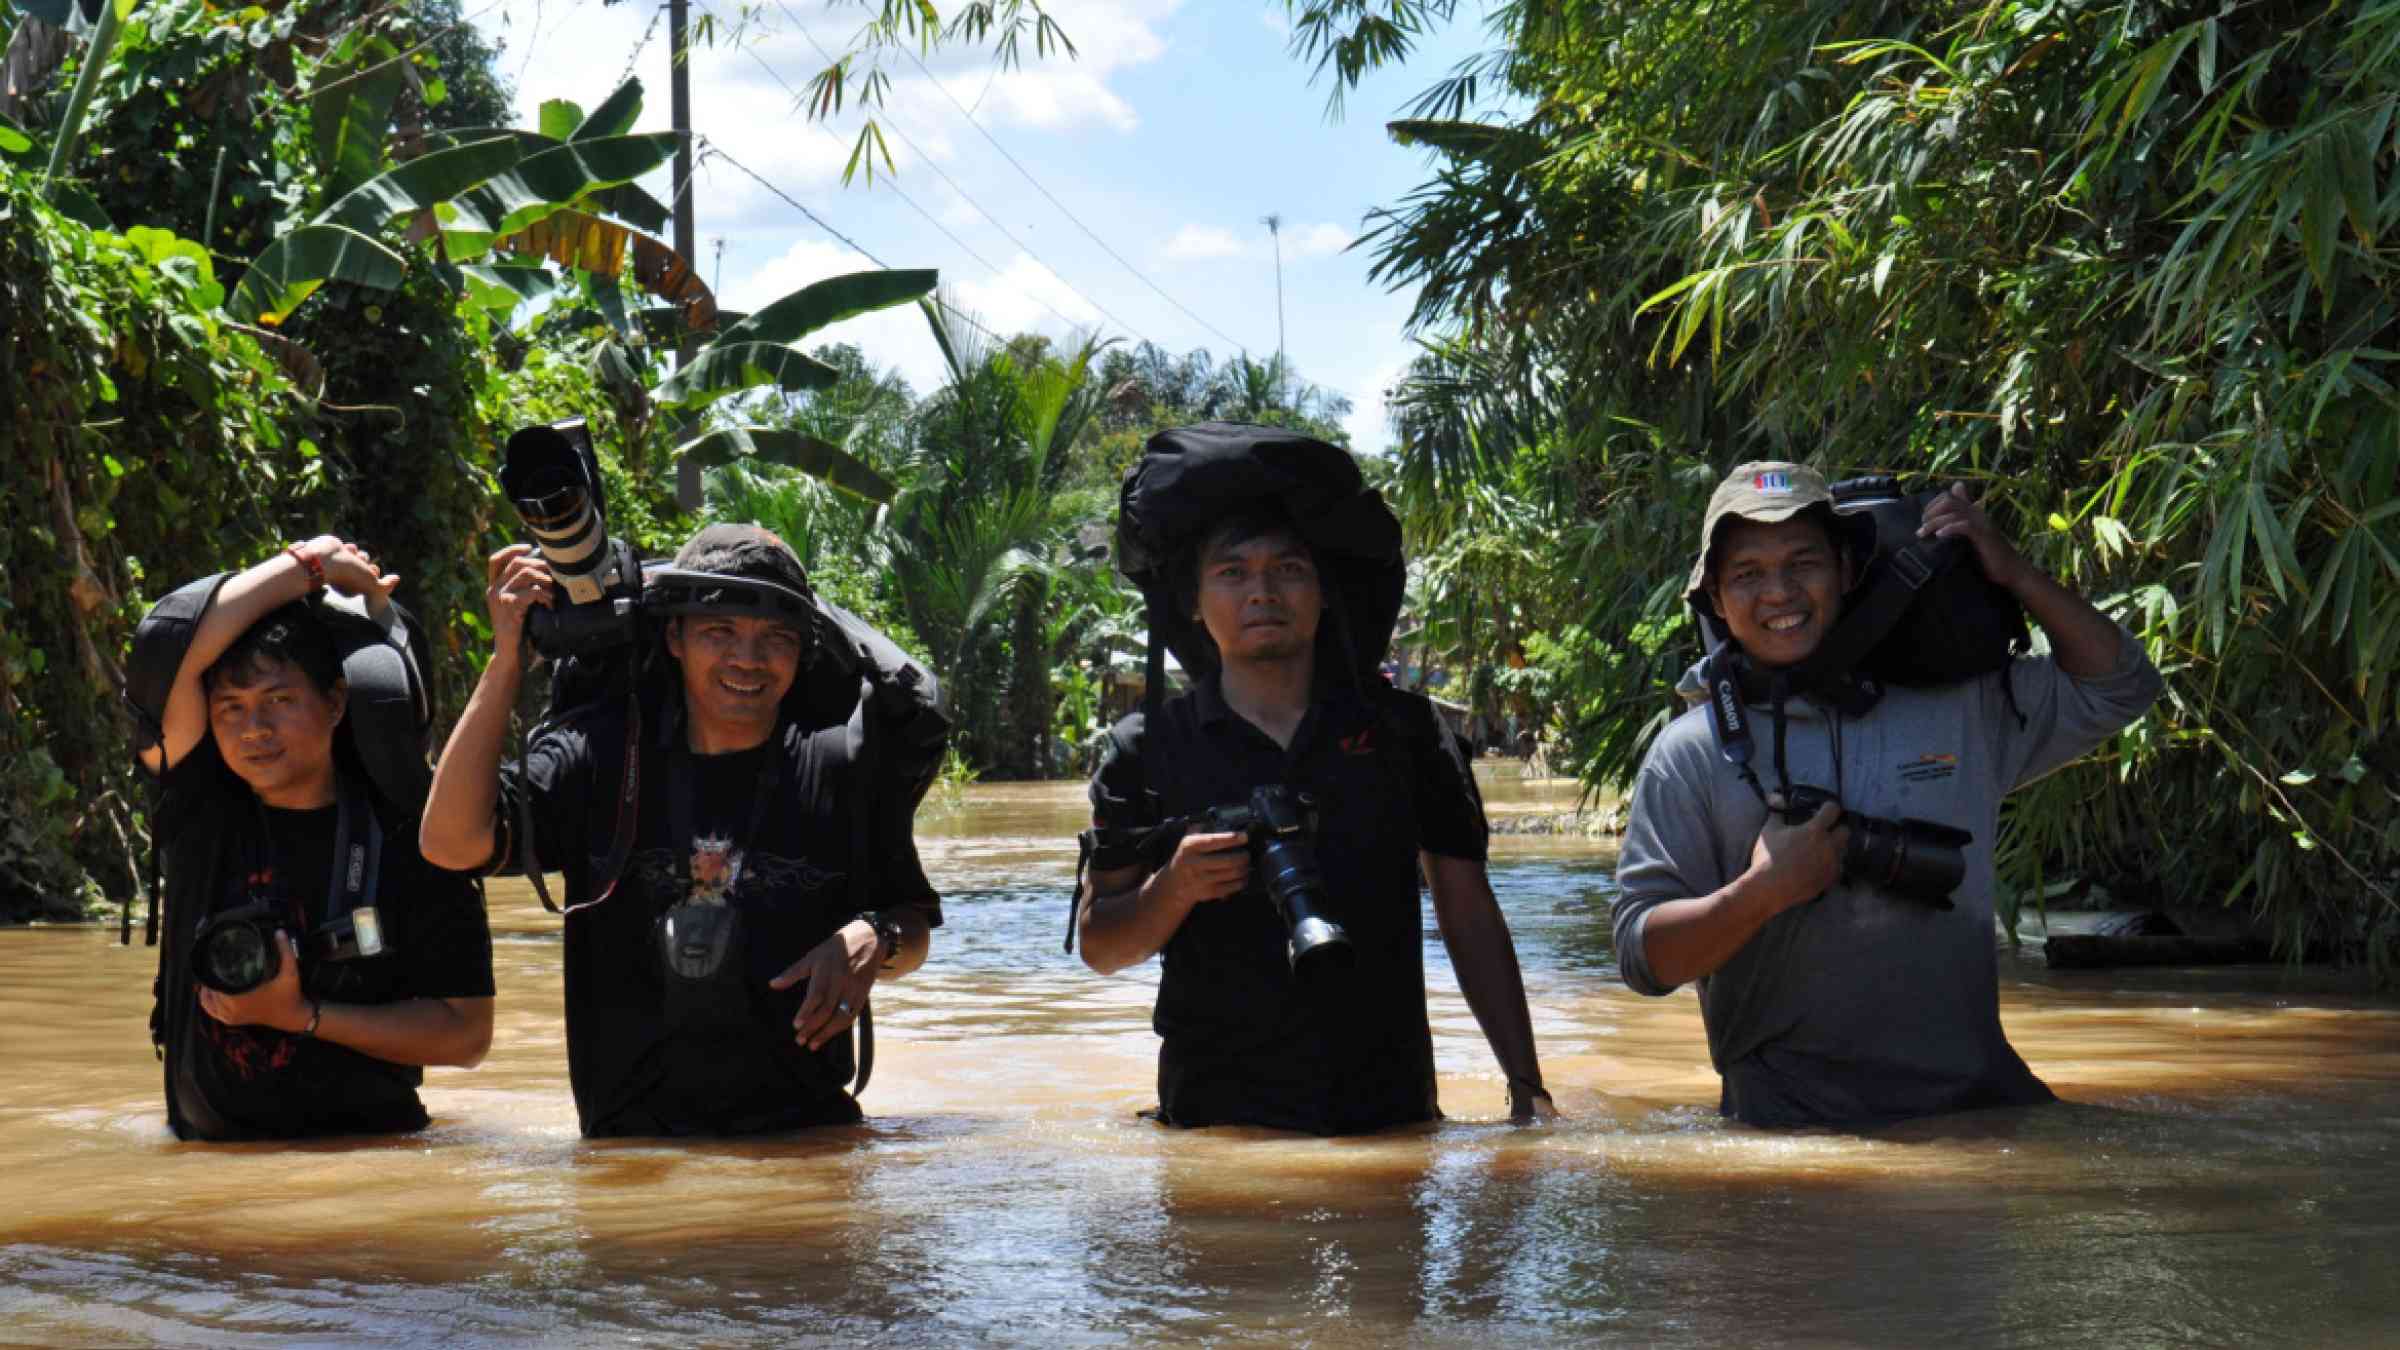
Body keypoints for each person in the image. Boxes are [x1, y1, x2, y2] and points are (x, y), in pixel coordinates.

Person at [1611, 462, 2164, 1127]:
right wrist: (1761, 893)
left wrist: (2014, 571)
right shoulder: (1691, 754)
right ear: (1715, 601)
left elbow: (2123, 685)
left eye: (1803, 563)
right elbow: (1644, 957)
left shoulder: (1959, 707)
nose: (1779, 593)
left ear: (1847, 571)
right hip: (1789, 1134)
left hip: (1982, 1115)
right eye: (1747, 575)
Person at [1076, 426, 1554, 1135]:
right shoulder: (1144, 751)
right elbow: (1100, 944)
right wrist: (1173, 887)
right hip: (1212, 1138)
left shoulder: (1407, 734)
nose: (1262, 592)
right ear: (1192, 601)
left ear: (1326, 593)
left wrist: (1527, 1092)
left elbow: (1470, 917)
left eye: (1289, 569)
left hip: (1390, 1122)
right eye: (1232, 573)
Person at [419, 524, 941, 1137]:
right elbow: (449, 843)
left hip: (809, 1153)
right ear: (675, 636)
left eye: (775, 638)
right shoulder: (600, 755)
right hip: (629, 1166)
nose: (747, 659)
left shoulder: (842, 763)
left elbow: (912, 924)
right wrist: (507, 656)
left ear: (802, 652)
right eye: (720, 632)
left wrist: (876, 935)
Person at [132, 537, 495, 1141]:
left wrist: (302, 1017)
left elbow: (467, 1034)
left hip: (377, 1160)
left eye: (278, 701)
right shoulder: (201, 807)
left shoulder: (412, 832)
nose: (255, 730)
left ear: (334, 703)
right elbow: (165, 649)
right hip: (210, 1171)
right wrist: (312, 565)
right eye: (231, 708)